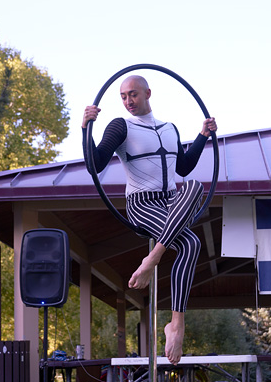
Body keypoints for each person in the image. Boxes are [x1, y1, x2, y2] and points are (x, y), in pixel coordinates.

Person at [82, 75, 217, 365]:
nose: (128, 101)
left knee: (194, 186)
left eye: (133, 94)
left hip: (170, 202)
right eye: (123, 96)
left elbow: (182, 167)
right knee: (190, 242)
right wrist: (86, 129)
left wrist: (203, 135)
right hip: (142, 205)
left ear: (148, 93)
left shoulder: (170, 128)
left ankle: (153, 261)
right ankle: (176, 323)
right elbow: (95, 164)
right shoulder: (121, 126)